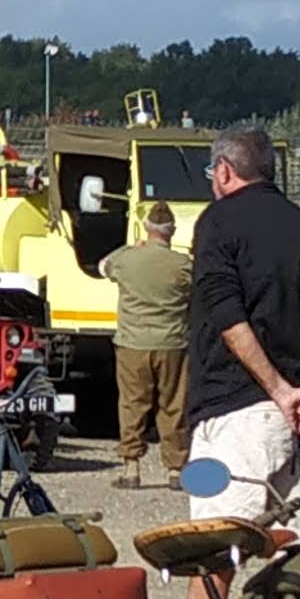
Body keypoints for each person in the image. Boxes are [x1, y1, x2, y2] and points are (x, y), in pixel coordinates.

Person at [181, 128, 300, 524]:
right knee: (296, 546)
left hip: (237, 411)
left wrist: (278, 390)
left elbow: (226, 314)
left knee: (218, 541)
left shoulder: (218, 221)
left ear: (224, 170)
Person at [100, 199, 192, 486]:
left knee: (132, 404)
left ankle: (132, 468)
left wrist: (130, 248)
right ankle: (175, 469)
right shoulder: (183, 265)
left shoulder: (127, 260)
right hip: (172, 343)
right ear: (172, 230)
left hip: (132, 343)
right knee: (173, 405)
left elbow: (103, 266)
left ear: (146, 227)